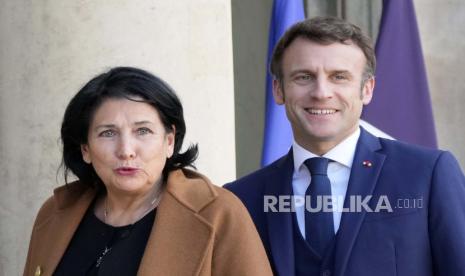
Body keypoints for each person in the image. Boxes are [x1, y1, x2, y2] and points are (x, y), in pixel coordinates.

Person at [225, 16, 465, 276]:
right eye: (304, 77)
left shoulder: (427, 175)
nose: (321, 92)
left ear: (367, 89)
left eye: (339, 77)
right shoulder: (241, 199)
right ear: (278, 90)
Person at [24, 67, 273, 276]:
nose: (126, 150)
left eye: (143, 131)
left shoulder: (219, 214)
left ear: (169, 141)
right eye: (108, 133)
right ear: (85, 149)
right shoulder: (54, 214)